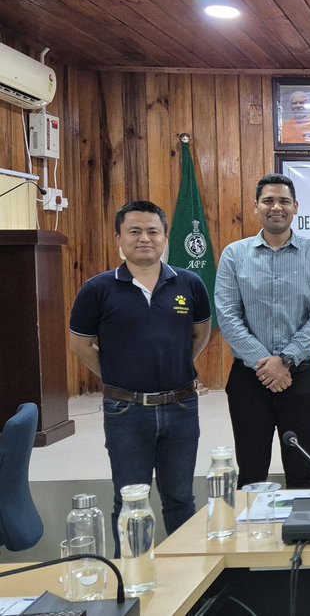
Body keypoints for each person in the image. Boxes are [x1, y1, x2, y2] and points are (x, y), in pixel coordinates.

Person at [68, 201, 212, 553]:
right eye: (134, 231)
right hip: (125, 412)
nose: (144, 238)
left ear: (165, 237)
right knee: (130, 500)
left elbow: (200, 334)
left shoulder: (190, 284)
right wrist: (118, 377)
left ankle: (188, 575)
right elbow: (81, 344)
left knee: (180, 498)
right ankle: (132, 583)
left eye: (153, 231)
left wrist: (173, 363)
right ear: (118, 237)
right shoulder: (97, 289)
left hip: (181, 407)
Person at [215, 173, 310, 489]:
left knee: (300, 472)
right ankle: (252, 537)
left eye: (283, 201)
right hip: (248, 381)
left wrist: (285, 361)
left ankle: (303, 537)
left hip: (302, 379)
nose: (276, 207)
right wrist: (265, 364)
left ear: (296, 206)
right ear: (256, 207)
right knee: (251, 472)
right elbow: (227, 315)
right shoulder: (234, 254)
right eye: (268, 201)